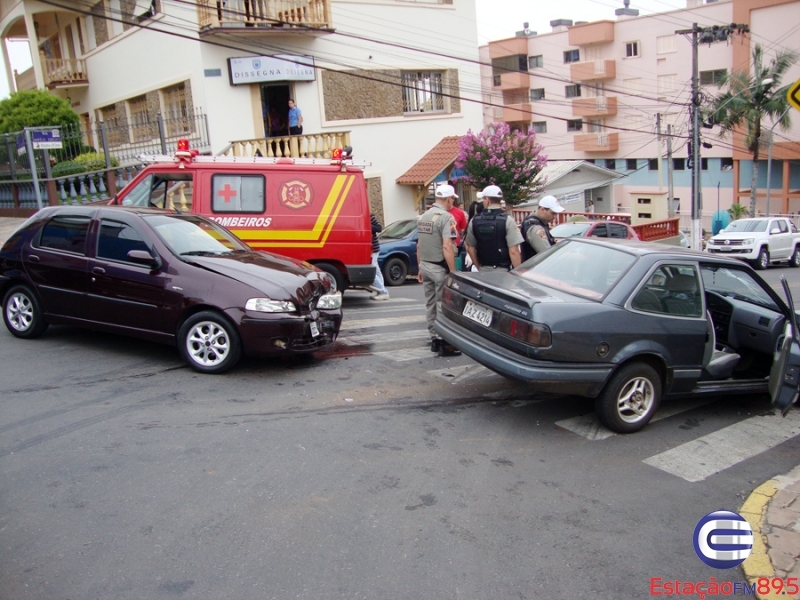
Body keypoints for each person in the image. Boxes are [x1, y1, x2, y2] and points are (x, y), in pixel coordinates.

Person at [417, 184, 461, 356]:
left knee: (430, 304)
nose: (452, 203)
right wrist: (453, 271)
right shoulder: (446, 218)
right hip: (439, 267)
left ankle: (434, 338)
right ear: (448, 199)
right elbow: (447, 246)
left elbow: (419, 245)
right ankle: (445, 342)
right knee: (443, 305)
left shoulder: (423, 217)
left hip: (426, 265)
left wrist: (420, 266)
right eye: (452, 200)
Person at [465, 185, 523, 271]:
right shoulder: (508, 220)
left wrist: (478, 267)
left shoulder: (474, 220)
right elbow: (514, 251)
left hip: (483, 269)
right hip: (503, 271)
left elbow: (470, 248)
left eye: (483, 199)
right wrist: (518, 272)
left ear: (487, 200)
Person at [520, 195, 565, 262]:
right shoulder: (535, 228)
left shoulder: (538, 222)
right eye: (553, 213)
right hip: (535, 268)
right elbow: (547, 253)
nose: (555, 216)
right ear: (542, 210)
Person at [368, 213, 390, 301]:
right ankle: (381, 291)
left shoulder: (370, 216)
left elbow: (379, 228)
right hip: (372, 248)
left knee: (373, 270)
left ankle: (383, 291)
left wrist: (367, 225)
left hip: (373, 248)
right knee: (376, 270)